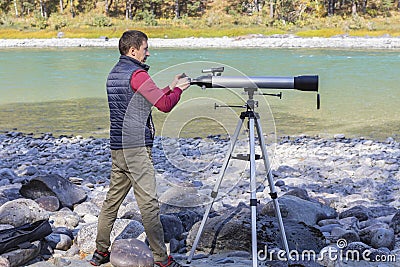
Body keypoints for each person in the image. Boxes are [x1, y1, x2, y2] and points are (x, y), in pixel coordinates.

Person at [89, 30, 190, 267]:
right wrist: (179, 91)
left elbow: (147, 98)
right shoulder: (137, 74)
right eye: (145, 48)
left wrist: (169, 86)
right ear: (133, 50)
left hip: (118, 148)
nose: (148, 52)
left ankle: (100, 252)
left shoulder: (115, 73)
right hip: (136, 149)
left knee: (111, 202)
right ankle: (161, 259)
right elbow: (164, 105)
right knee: (149, 205)